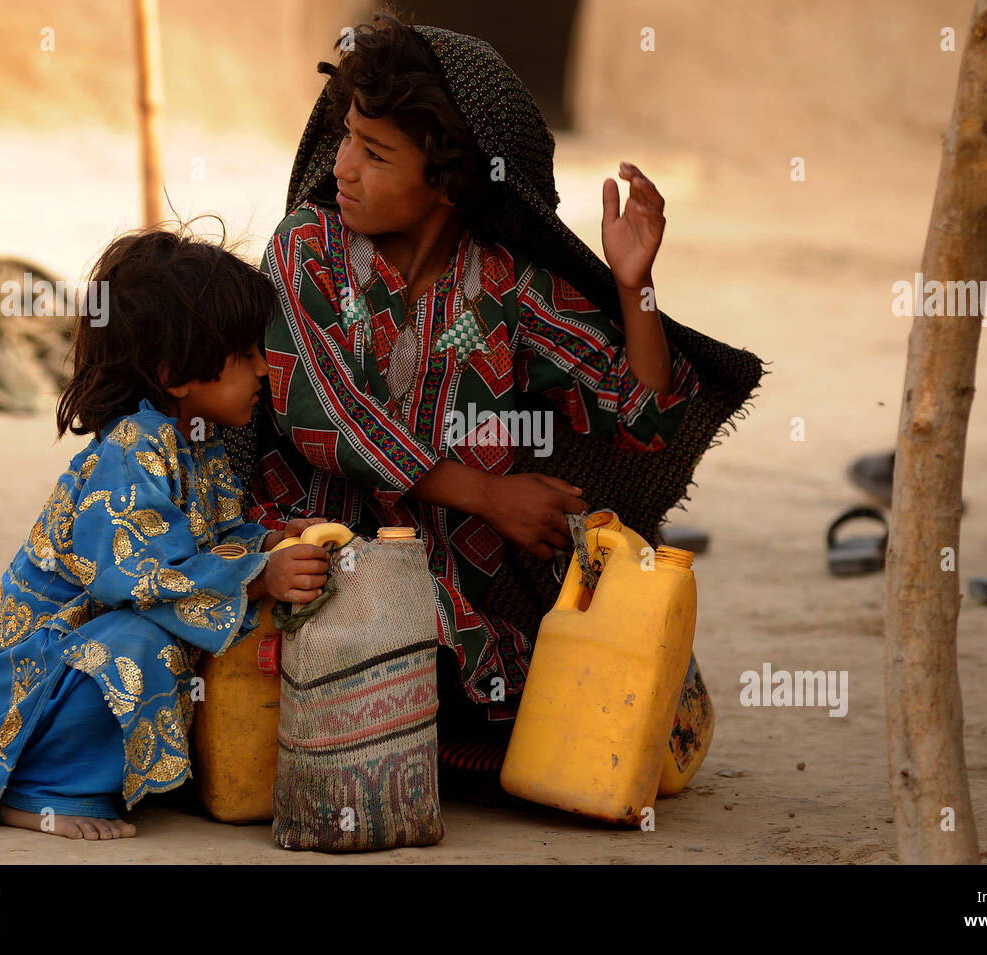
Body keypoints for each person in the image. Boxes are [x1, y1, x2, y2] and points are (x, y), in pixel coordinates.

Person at [227, 12, 765, 750]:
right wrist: (487, 493)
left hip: (454, 588)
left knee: (599, 699)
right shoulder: (305, 249)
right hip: (313, 555)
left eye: (375, 152)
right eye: (348, 135)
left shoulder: (509, 289)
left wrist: (634, 286)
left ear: (448, 183)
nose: (344, 165)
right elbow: (325, 415)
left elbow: (644, 415)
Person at [0, 226, 331, 839]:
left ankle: (87, 773)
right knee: (141, 641)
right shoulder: (133, 451)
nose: (264, 368)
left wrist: (266, 540)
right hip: (39, 685)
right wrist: (259, 579)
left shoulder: (195, 444)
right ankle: (38, 790)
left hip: (71, 672)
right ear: (175, 373)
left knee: (165, 638)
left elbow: (214, 537)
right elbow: (139, 583)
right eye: (244, 354)